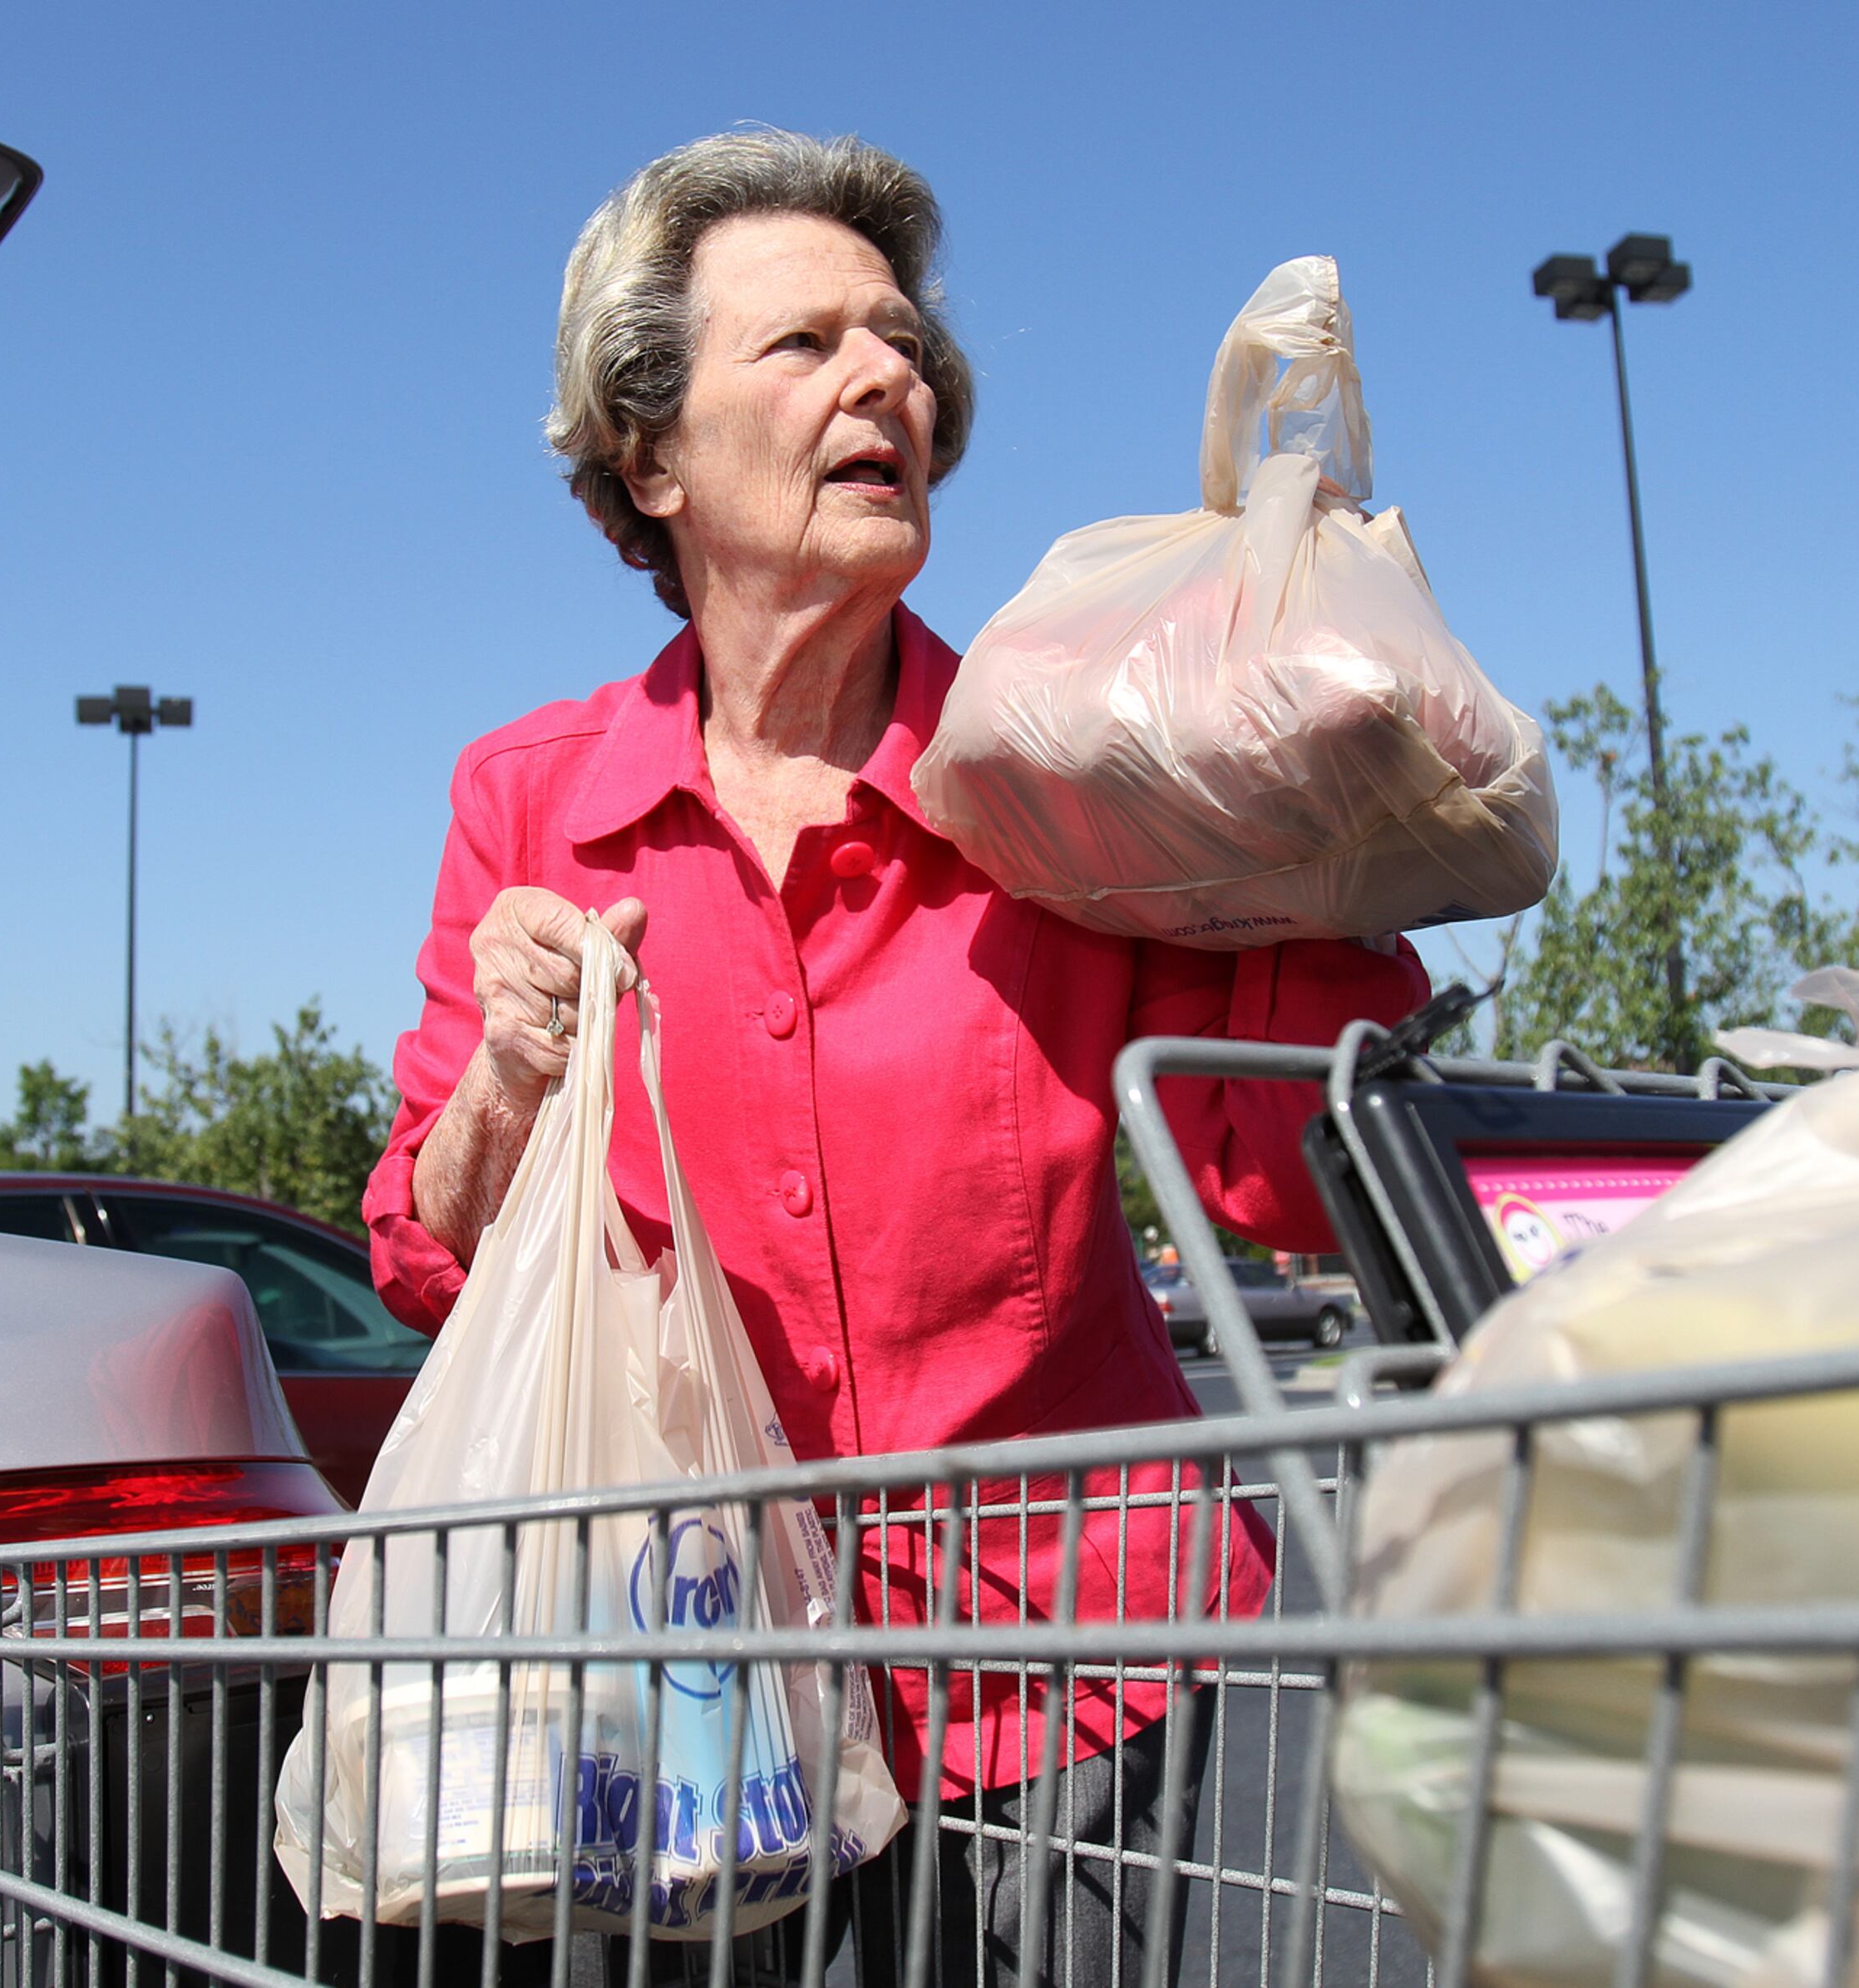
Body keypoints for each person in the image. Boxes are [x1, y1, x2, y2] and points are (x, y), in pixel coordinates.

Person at [362, 130, 1427, 1986]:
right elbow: (424, 1251)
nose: (890, 377)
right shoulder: (528, 804)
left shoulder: (1066, 768)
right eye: (804, 346)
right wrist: (513, 1081)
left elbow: (1284, 1173)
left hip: (1085, 1695)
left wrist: (1308, 827)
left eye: (902, 342)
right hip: (705, 1718)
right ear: (651, 454)